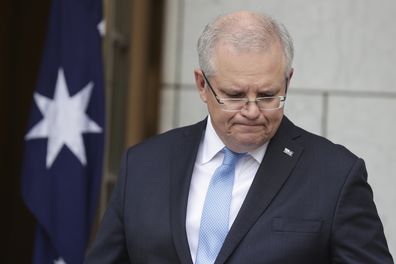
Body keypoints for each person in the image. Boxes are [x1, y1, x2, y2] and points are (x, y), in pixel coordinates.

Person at [85, 10, 393, 263]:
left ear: (287, 81)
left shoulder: (335, 175)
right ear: (202, 85)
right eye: (234, 95)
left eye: (268, 95)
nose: (251, 110)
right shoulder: (143, 165)